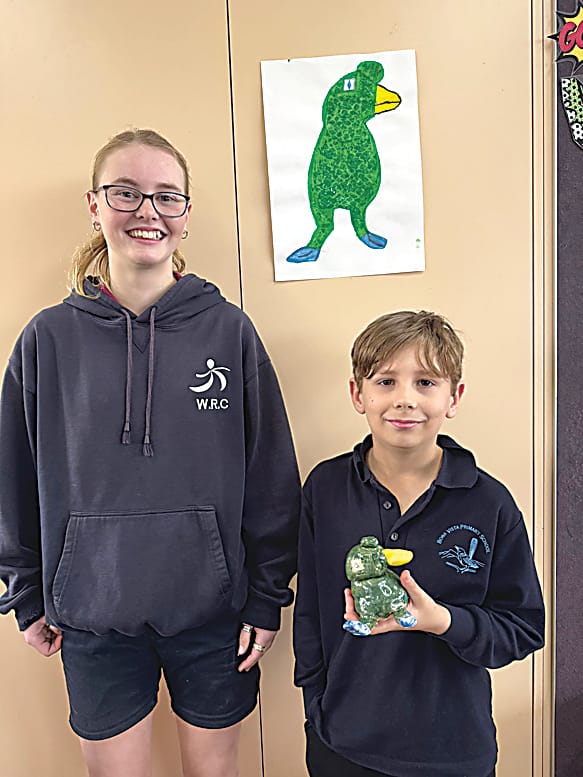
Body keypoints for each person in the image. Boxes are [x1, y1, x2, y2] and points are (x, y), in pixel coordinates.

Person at [0, 128, 300, 777]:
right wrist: (24, 592)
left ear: (186, 215)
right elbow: (12, 480)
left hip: (215, 617)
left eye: (166, 196)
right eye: (126, 193)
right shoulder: (46, 339)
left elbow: (270, 477)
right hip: (92, 617)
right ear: (94, 205)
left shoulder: (229, 331)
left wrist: (266, 597)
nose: (148, 211)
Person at [293, 310, 544, 777]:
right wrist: (316, 706)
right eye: (386, 381)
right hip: (342, 745)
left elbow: (524, 628)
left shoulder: (489, 502)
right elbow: (310, 611)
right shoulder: (324, 489)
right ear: (358, 394)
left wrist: (443, 621)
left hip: (454, 750)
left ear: (454, 397)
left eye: (426, 382)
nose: (405, 399)